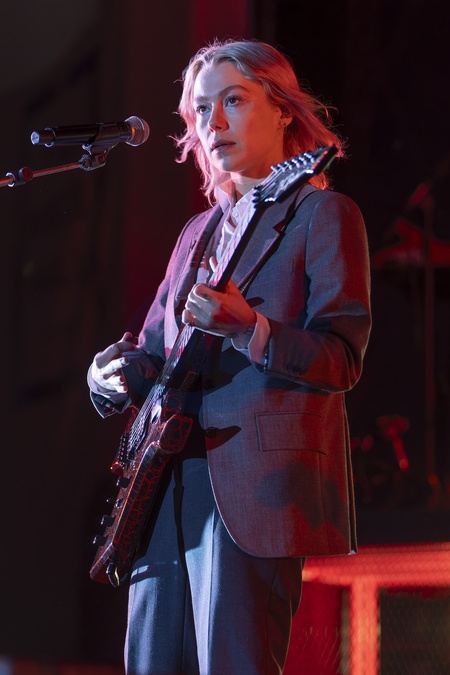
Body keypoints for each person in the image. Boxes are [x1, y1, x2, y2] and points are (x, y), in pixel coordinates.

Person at [88, 38, 371, 675]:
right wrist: (105, 376)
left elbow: (341, 357)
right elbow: (151, 355)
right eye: (200, 109)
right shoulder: (197, 232)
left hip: (253, 486)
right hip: (161, 481)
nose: (212, 122)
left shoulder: (324, 215)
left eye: (233, 101)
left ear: (283, 110)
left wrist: (252, 330)